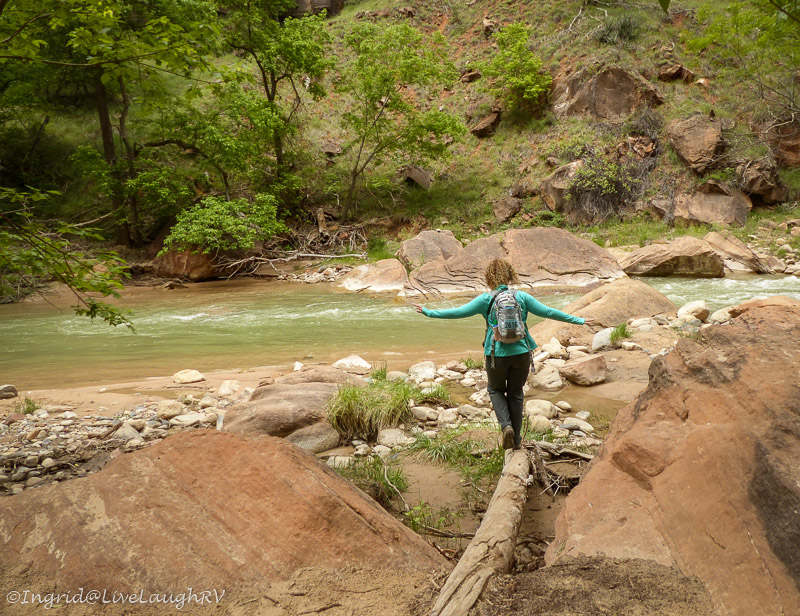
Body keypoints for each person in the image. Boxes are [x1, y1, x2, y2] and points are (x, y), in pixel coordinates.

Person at [413, 259, 596, 450]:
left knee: (495, 390)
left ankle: (506, 426)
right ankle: (516, 440)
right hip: (521, 353)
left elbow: (457, 312)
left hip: (496, 355)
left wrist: (428, 312)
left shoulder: (485, 299)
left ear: (489, 278)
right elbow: (549, 312)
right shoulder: (522, 297)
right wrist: (579, 320)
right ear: (509, 276)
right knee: (516, 393)